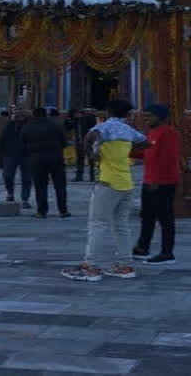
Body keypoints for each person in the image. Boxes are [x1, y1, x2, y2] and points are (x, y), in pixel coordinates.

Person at [62, 99, 147, 281]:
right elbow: (145, 142)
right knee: (121, 225)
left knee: (98, 224)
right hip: (126, 181)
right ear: (127, 114)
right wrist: (125, 152)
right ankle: (126, 265)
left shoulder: (105, 127)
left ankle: (91, 265)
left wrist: (92, 154)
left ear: (108, 111)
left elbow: (88, 137)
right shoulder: (128, 130)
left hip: (107, 181)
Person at [132, 104, 181, 265]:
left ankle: (167, 252)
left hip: (162, 182)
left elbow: (167, 159)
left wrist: (156, 181)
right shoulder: (152, 133)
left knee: (165, 218)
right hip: (149, 180)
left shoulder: (168, 133)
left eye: (150, 116)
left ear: (161, 117)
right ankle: (142, 247)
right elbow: (146, 153)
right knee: (147, 216)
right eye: (145, 116)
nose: (146, 119)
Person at [22, 108, 70, 218]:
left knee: (40, 186)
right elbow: (64, 142)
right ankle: (63, 210)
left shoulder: (28, 127)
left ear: (34, 115)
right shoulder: (55, 126)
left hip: (36, 159)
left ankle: (42, 211)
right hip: (56, 158)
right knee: (60, 186)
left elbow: (22, 142)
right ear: (46, 115)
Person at [0, 110, 32, 208]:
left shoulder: (29, 126)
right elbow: (1, 140)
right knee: (8, 175)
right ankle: (10, 193)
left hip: (27, 155)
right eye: (18, 116)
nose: (19, 118)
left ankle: (25, 199)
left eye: (22, 116)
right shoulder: (9, 126)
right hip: (10, 154)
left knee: (27, 178)